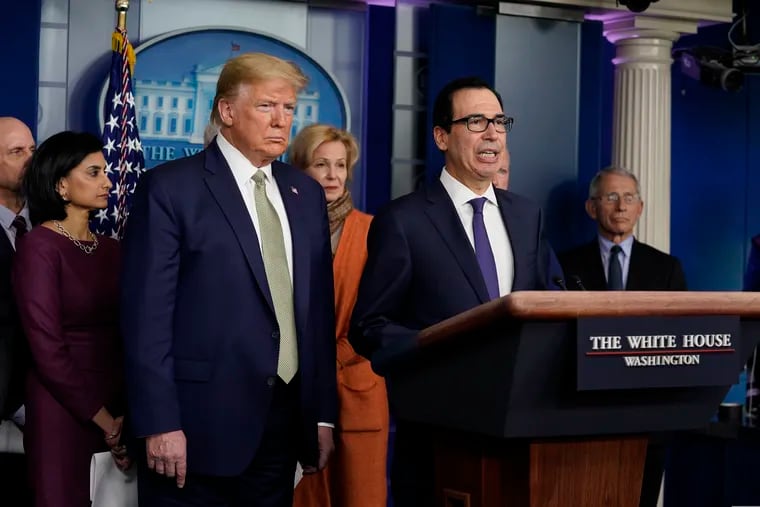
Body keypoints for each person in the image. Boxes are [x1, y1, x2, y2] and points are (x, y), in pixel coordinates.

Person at [121, 52, 337, 507]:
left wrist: (321, 415)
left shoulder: (305, 194)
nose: (281, 121)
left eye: (289, 109)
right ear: (226, 111)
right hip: (195, 429)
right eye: (266, 106)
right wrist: (159, 421)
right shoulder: (171, 189)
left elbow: (317, 314)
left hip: (283, 425)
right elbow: (146, 318)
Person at [349, 76, 554, 507]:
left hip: (521, 432)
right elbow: (369, 326)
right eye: (476, 121)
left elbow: (552, 300)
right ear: (442, 136)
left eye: (500, 121)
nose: (493, 132)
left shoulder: (526, 214)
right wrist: (437, 350)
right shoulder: (403, 220)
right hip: (439, 434)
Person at [557, 166, 687, 507]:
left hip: (647, 419)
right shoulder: (563, 266)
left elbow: (679, 341)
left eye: (629, 198)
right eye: (611, 197)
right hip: (582, 416)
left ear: (640, 208)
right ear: (592, 207)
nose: (620, 207)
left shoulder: (667, 268)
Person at [12, 131, 128, 506]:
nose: (107, 181)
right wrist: (104, 420)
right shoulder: (39, 247)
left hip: (117, 408)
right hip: (63, 409)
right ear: (62, 184)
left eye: (106, 171)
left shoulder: (111, 249)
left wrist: (123, 417)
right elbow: (46, 347)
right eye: (93, 173)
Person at [289, 124, 389, 507]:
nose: (332, 175)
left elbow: (379, 315)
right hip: (294, 391)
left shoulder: (373, 231)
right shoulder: (284, 227)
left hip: (357, 388)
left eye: (341, 165)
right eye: (321, 164)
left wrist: (323, 361)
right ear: (300, 169)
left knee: (359, 496)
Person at [0, 116, 35, 505]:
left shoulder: (55, 223)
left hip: (49, 407)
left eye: (32, 150)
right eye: (15, 152)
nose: (29, 161)